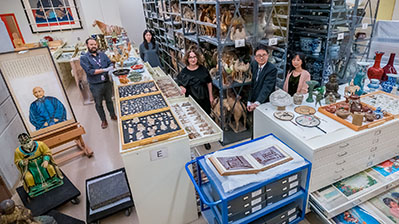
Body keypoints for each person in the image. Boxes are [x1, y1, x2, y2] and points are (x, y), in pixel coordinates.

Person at [176, 47, 213, 149]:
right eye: (190, 57)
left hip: (204, 97)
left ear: (198, 58)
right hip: (192, 98)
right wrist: (181, 87)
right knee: (193, 118)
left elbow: (209, 82)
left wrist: (211, 96)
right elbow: (179, 82)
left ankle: (206, 139)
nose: (193, 59)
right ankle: (195, 137)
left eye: (194, 57)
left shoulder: (203, 69)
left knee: (205, 118)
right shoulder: (184, 71)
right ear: (187, 59)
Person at [80, 37, 117, 129]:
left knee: (109, 100)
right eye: (91, 44)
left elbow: (110, 63)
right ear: (87, 45)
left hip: (106, 81)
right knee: (98, 103)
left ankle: (112, 114)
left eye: (95, 44)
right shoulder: (84, 58)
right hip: (95, 85)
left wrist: (110, 68)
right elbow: (90, 71)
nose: (93, 46)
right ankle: (103, 120)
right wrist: (104, 69)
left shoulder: (102, 55)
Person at [14, 133, 63, 197]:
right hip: (30, 168)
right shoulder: (18, 151)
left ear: (31, 139)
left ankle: (53, 179)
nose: (27, 144)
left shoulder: (40, 144)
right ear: (21, 144)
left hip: (42, 163)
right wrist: (22, 163)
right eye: (24, 143)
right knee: (28, 177)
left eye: (28, 142)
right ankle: (33, 187)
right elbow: (17, 161)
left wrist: (46, 160)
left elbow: (47, 152)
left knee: (50, 168)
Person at [247, 44, 277, 112]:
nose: (261, 58)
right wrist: (249, 100)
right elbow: (251, 84)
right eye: (259, 55)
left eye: (264, 55)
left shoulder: (272, 69)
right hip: (254, 98)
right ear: (255, 57)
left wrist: (257, 102)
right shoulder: (254, 64)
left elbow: (266, 88)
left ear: (268, 55)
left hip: (265, 101)